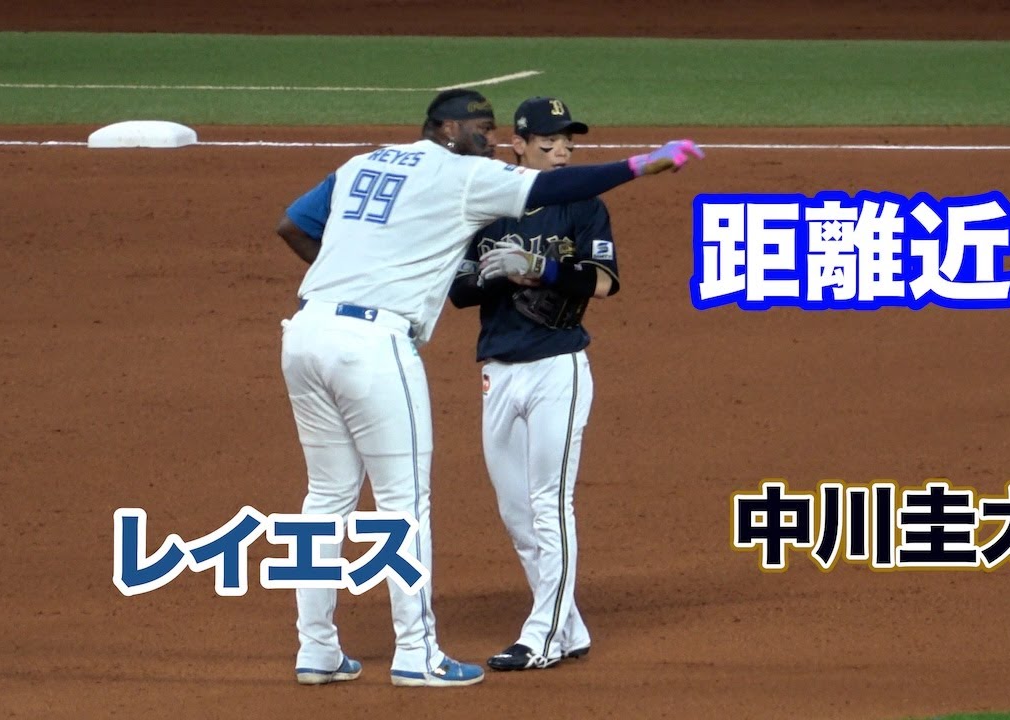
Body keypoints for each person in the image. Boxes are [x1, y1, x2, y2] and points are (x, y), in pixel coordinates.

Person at [274, 87, 703, 688]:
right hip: (372, 343)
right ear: (448, 130)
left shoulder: (362, 162)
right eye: (483, 129)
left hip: (307, 331)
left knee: (325, 498)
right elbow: (553, 188)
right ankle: (417, 653)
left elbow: (291, 224)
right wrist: (640, 164)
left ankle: (317, 648)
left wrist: (351, 277)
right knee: (404, 504)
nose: (491, 140)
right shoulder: (463, 175)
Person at [448, 96, 615, 672]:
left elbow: (602, 282)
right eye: (549, 143)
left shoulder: (583, 205)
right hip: (497, 372)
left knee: (549, 504)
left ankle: (540, 636)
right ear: (517, 145)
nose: (562, 151)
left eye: (568, 142)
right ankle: (569, 627)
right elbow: (459, 291)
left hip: (557, 369)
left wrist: (541, 268)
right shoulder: (486, 207)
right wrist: (494, 273)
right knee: (517, 515)